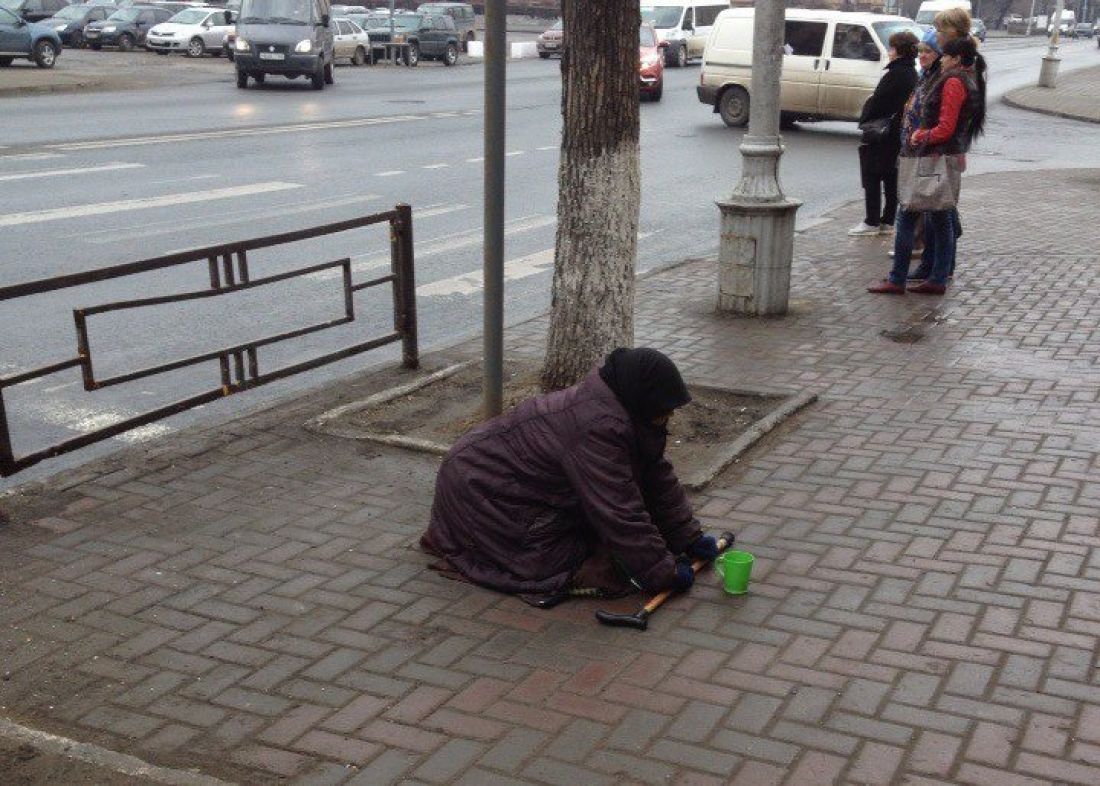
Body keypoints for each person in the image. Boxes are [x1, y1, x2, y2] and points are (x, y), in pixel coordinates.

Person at [420, 348, 717, 607]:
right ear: (643, 400)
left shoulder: (623, 411)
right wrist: (661, 573)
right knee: (577, 563)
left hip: (495, 479)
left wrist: (688, 537)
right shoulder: (598, 427)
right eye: (664, 412)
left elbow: (654, 473)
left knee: (618, 543)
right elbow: (619, 509)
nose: (668, 419)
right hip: (480, 491)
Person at [868, 34, 986, 295]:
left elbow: (945, 127)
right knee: (941, 216)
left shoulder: (954, 81)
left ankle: (898, 279)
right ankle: (937, 278)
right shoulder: (963, 77)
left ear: (955, 58)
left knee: (908, 212)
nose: (940, 60)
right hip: (941, 158)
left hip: (932, 158)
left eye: (943, 55)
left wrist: (920, 135)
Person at [848, 30, 919, 237]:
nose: (889, 52)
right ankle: (888, 221)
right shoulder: (912, 73)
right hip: (898, 133)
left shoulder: (895, 74)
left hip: (882, 133)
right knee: (891, 176)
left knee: (871, 175)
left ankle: (871, 221)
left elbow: (877, 102)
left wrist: (866, 118)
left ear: (898, 51)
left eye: (891, 48)